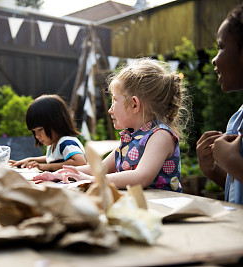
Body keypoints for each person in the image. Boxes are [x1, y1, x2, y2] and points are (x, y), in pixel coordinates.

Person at [35, 59, 189, 190]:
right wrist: (59, 174)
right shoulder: (130, 138)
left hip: (163, 210)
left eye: (115, 101)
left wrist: (91, 180)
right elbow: (99, 168)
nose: (109, 110)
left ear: (134, 104)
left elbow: (141, 177)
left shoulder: (160, 136)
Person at [196, 3, 243, 204]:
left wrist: (231, 161)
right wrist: (213, 170)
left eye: (221, 47)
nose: (214, 60)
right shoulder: (238, 118)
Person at [9, 94, 87, 172]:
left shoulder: (66, 142)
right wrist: (30, 160)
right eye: (34, 131)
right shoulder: (53, 144)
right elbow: (50, 159)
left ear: (57, 122)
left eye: (40, 130)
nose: (37, 136)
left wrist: (45, 166)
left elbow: (80, 163)